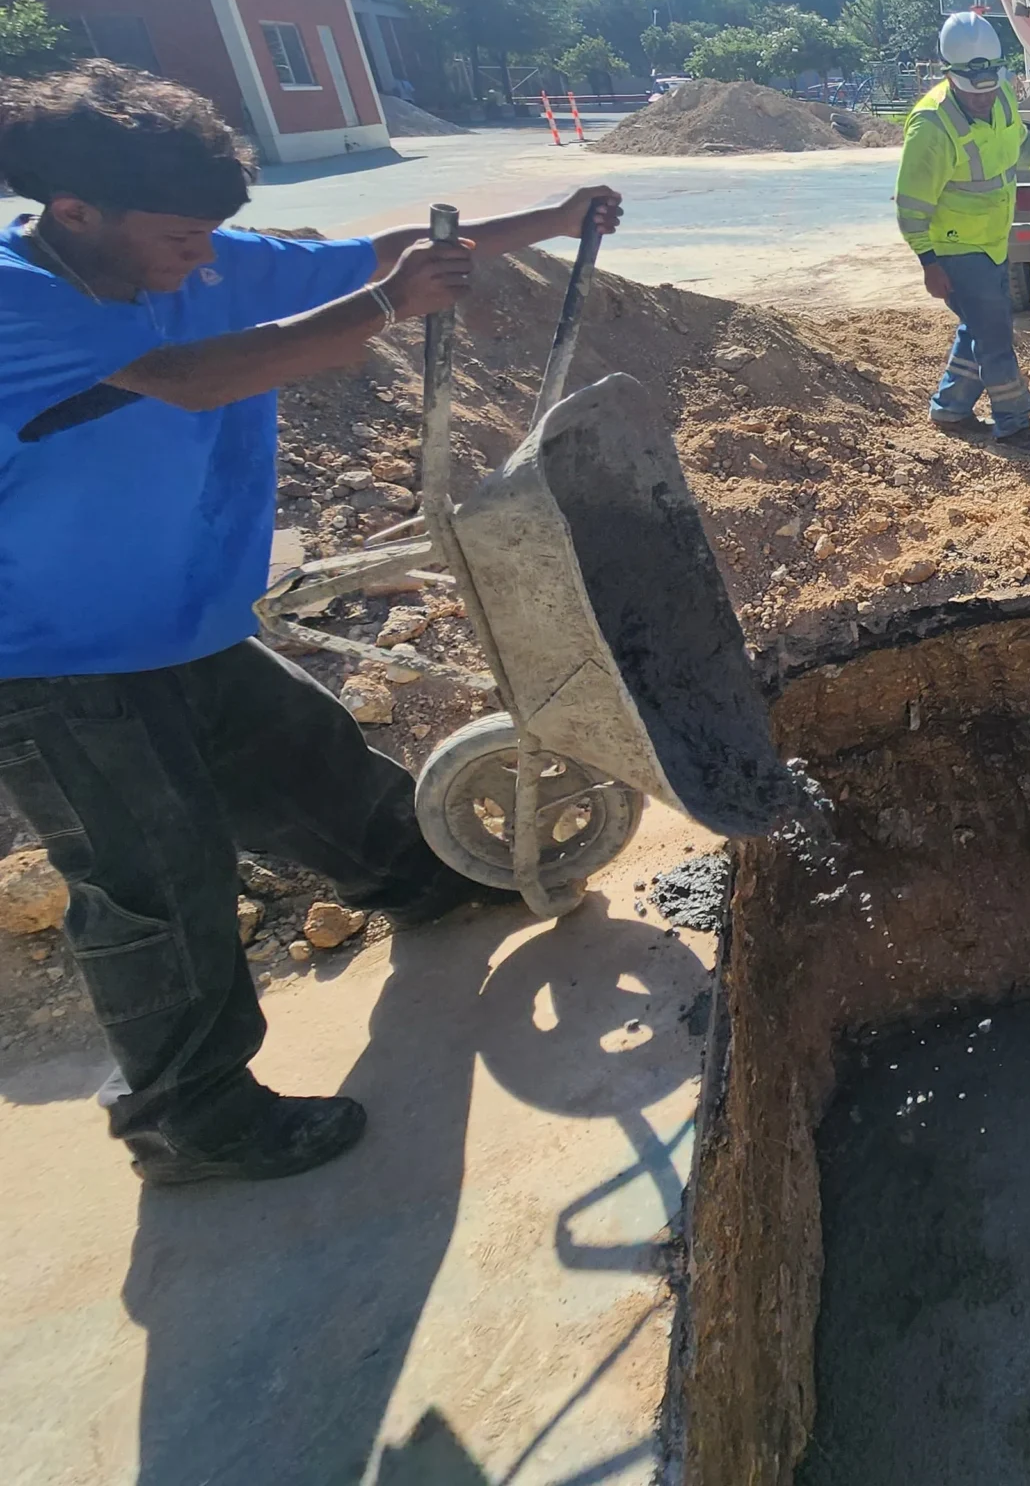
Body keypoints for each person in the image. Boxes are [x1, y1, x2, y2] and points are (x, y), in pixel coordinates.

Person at [0, 60, 626, 1186]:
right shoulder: (18, 298)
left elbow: (378, 253)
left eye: (208, 238)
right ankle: (190, 1120)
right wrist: (386, 315)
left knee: (306, 766)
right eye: (179, 237)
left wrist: (553, 215)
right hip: (50, 661)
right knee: (158, 877)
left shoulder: (181, 261)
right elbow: (197, 378)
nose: (202, 259)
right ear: (75, 211)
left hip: (180, 624)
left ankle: (427, 879)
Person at [897, 11, 1030, 450]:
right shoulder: (931, 126)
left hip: (992, 241)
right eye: (973, 91)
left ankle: (950, 409)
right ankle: (1014, 424)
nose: (983, 98)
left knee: (978, 327)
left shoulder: (1001, 96)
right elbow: (910, 207)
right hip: (955, 247)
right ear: (950, 75)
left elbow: (1021, 146)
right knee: (995, 336)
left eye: (989, 87)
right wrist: (928, 262)